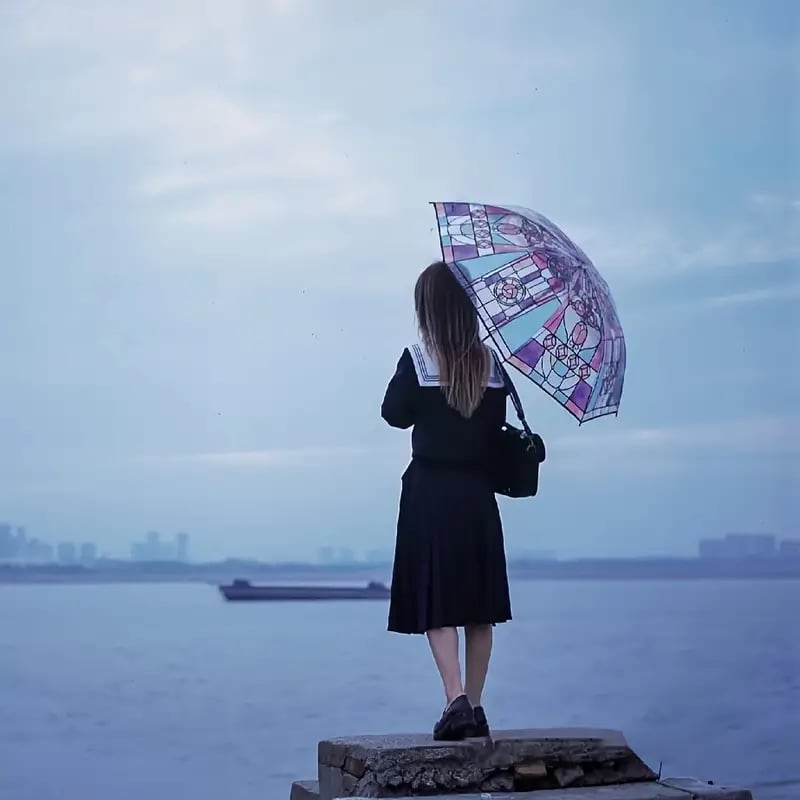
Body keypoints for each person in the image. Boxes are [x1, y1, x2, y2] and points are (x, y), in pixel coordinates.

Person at [380, 260, 512, 741]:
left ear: (429, 309)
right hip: (477, 494)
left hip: (430, 493)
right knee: (481, 607)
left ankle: (454, 699)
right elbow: (495, 431)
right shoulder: (493, 366)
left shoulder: (418, 360)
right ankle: (475, 708)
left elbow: (393, 413)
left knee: (438, 602)